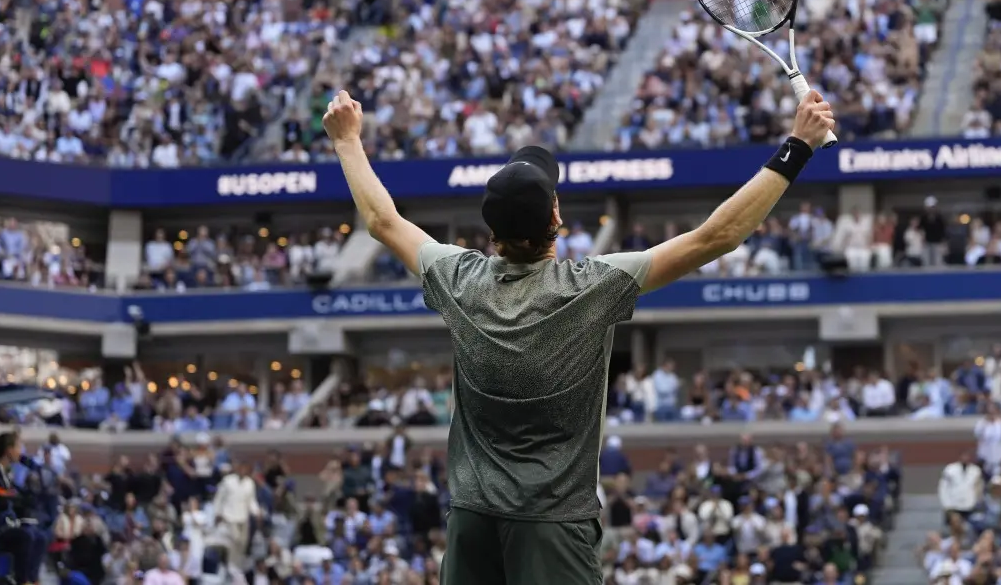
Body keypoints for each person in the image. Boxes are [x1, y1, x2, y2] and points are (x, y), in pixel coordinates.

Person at [321, 88, 835, 585]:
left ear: (492, 235)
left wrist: (347, 141)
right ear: (557, 218)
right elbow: (716, 236)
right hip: (552, 524)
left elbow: (383, 220)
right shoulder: (588, 288)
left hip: (471, 521)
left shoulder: (457, 280)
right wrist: (797, 148)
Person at [0, 431, 47, 585]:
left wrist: (34, 486)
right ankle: (22, 581)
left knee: (40, 537)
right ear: (8, 450)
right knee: (25, 537)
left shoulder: (7, 476)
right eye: (19, 447)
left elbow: (21, 497)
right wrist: (5, 498)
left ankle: (33, 579)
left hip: (4, 527)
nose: (21, 452)